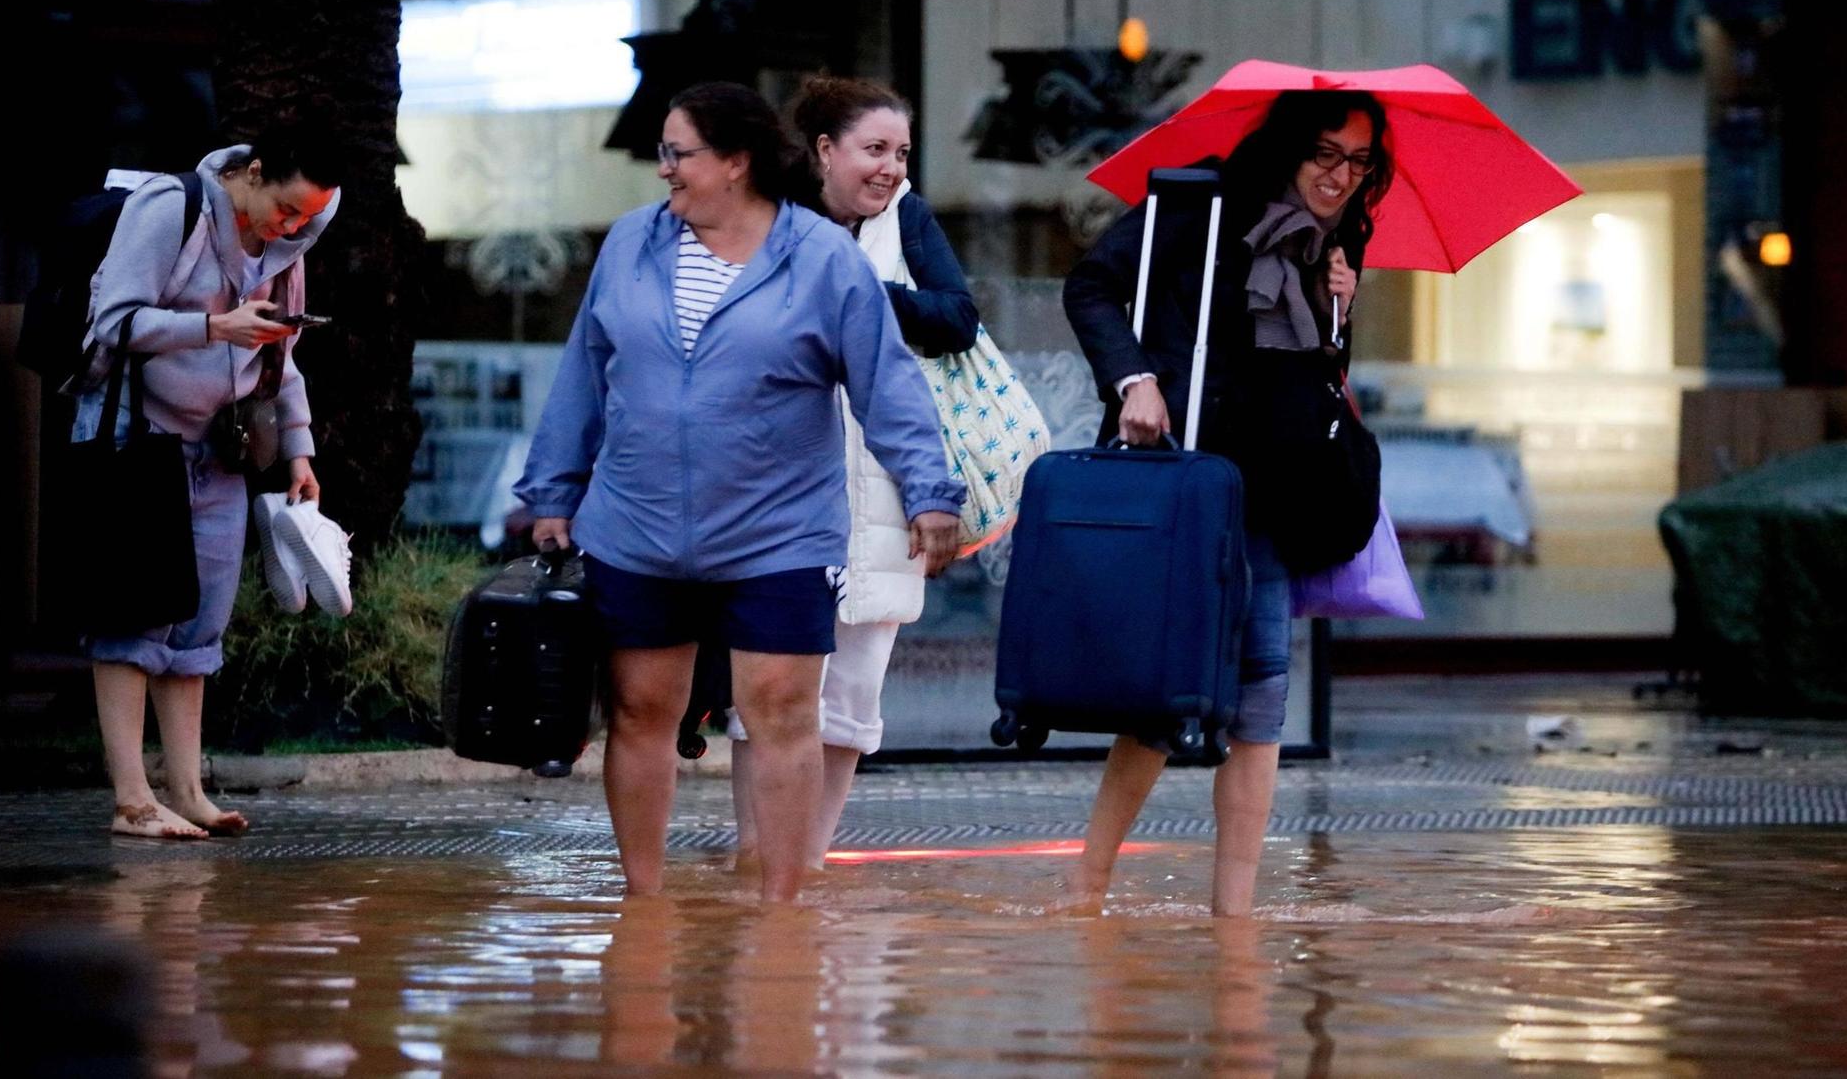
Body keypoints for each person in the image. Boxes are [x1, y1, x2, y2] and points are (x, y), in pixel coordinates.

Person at [514, 81, 963, 904]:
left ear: (734, 162)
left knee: (785, 712)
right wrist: (553, 492)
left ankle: (782, 916)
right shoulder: (630, 245)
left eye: (678, 153)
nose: (664, 171)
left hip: (779, 532)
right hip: (638, 525)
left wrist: (929, 492)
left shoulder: (821, 257)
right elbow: (584, 369)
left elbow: (887, 384)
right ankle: (643, 907)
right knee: (642, 711)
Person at [1058, 90, 1392, 916]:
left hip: (1274, 492)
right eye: (1326, 153)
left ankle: (1233, 915)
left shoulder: (1337, 240)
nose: (1340, 176)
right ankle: (1085, 886)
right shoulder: (1201, 199)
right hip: (1190, 479)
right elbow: (1092, 284)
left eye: (1359, 162)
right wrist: (1135, 380)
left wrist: (1341, 305)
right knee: (1164, 690)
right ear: (1287, 146)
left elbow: (1314, 375)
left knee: (1263, 693)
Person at [726, 77, 979, 872]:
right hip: (783, 486)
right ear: (825, 151)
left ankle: (807, 859)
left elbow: (956, 316)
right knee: (770, 689)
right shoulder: (770, 224)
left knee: (854, 695)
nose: (890, 169)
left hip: (882, 485)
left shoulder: (906, 217)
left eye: (901, 153)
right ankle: (754, 852)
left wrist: (865, 293)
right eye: (874, 150)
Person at [80, 106, 344, 839]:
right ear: (253, 174)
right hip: (143, 438)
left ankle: (187, 788)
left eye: (308, 218)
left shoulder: (287, 248)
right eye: (285, 209)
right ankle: (132, 797)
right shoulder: (173, 210)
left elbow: (281, 358)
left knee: (200, 623)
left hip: (222, 446)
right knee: (134, 616)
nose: (290, 227)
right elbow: (114, 323)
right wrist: (213, 326)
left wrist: (300, 450)